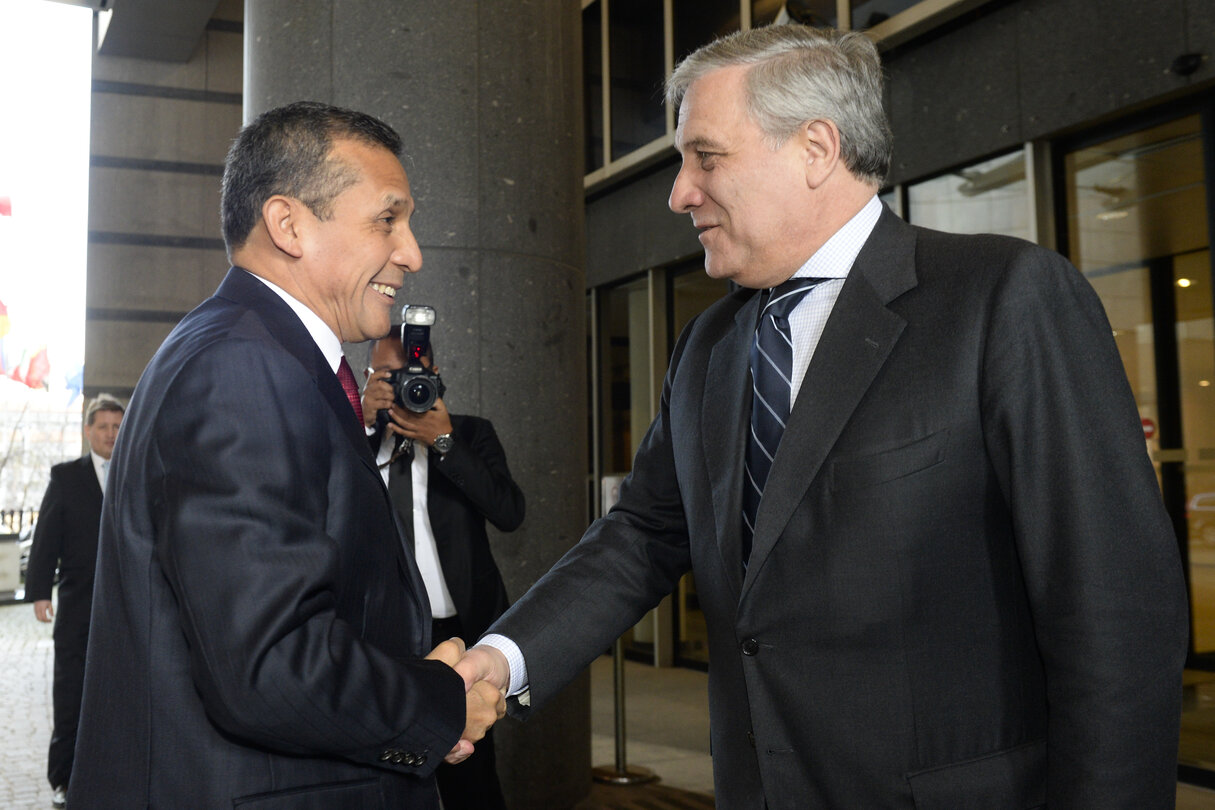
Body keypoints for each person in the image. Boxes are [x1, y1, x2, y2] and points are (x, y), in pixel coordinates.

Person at [457, 24, 1189, 809]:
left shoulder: (1005, 298)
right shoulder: (707, 344)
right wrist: (500, 659)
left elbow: (1114, 619)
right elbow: (640, 534)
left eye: (705, 157)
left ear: (815, 148)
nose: (678, 193)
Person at [67, 101, 503, 809]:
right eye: (387, 219)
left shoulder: (262, 355)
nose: (412, 252)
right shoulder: (243, 368)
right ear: (289, 224)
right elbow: (267, 666)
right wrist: (438, 703)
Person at [362, 326, 525, 810]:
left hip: (462, 629)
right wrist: (360, 423)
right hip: (384, 633)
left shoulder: (471, 432)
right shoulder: (352, 439)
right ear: (368, 380)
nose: (401, 386)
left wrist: (446, 441)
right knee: (393, 765)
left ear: (434, 375)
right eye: (386, 376)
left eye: (410, 374)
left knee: (472, 771)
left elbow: (510, 512)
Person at [25, 393, 123, 808]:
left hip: (123, 611)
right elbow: (46, 540)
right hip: (78, 609)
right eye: (103, 427)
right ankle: (64, 779)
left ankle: (114, 773)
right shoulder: (65, 477)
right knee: (71, 697)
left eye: (117, 427)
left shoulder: (134, 473)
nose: (111, 435)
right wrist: (38, 593)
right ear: (88, 431)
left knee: (118, 695)